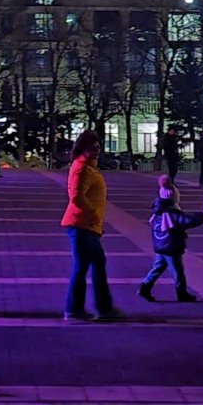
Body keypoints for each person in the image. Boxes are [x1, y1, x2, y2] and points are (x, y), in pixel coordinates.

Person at [61, 128, 120, 321]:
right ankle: (74, 309)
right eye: (92, 147)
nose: (97, 150)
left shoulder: (88, 167)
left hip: (89, 226)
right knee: (83, 266)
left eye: (98, 147)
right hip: (81, 224)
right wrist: (94, 213)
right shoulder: (81, 168)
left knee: (97, 264)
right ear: (83, 148)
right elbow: (76, 197)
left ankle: (103, 308)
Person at [138, 174, 203, 302]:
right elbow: (188, 221)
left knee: (158, 267)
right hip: (171, 247)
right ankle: (182, 293)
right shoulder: (174, 214)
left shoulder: (158, 212)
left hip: (161, 246)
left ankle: (145, 287)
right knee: (178, 271)